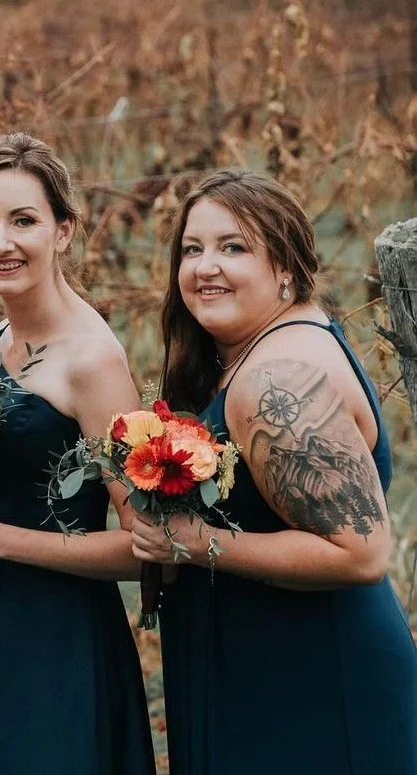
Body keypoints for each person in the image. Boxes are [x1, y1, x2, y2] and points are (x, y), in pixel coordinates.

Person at [133, 168, 417, 773]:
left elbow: (359, 555)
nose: (205, 265)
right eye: (192, 248)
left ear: (286, 266)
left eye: (233, 247)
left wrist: (195, 542)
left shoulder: (275, 381)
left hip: (311, 683)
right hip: (268, 671)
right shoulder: (263, 350)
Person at [0, 132, 155, 774]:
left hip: (57, 634)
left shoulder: (93, 362)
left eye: (22, 221)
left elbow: (145, 545)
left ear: (63, 230)